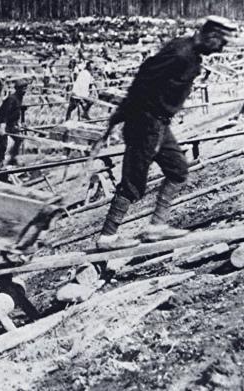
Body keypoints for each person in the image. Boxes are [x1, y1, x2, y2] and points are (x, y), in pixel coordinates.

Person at [93, 16, 238, 250]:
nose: (222, 48)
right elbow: (144, 78)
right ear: (211, 36)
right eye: (221, 42)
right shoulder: (180, 53)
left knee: (178, 169)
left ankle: (156, 227)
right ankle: (107, 238)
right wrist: (122, 114)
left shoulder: (190, 54)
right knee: (133, 182)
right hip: (145, 122)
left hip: (160, 124)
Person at [0, 77, 29, 172]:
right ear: (18, 89)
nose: (25, 90)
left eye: (26, 88)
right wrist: (2, 126)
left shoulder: (19, 98)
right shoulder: (11, 99)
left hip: (11, 123)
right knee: (3, 145)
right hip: (3, 123)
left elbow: (16, 112)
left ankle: (13, 158)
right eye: (23, 88)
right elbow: (3, 113)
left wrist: (19, 123)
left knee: (18, 139)